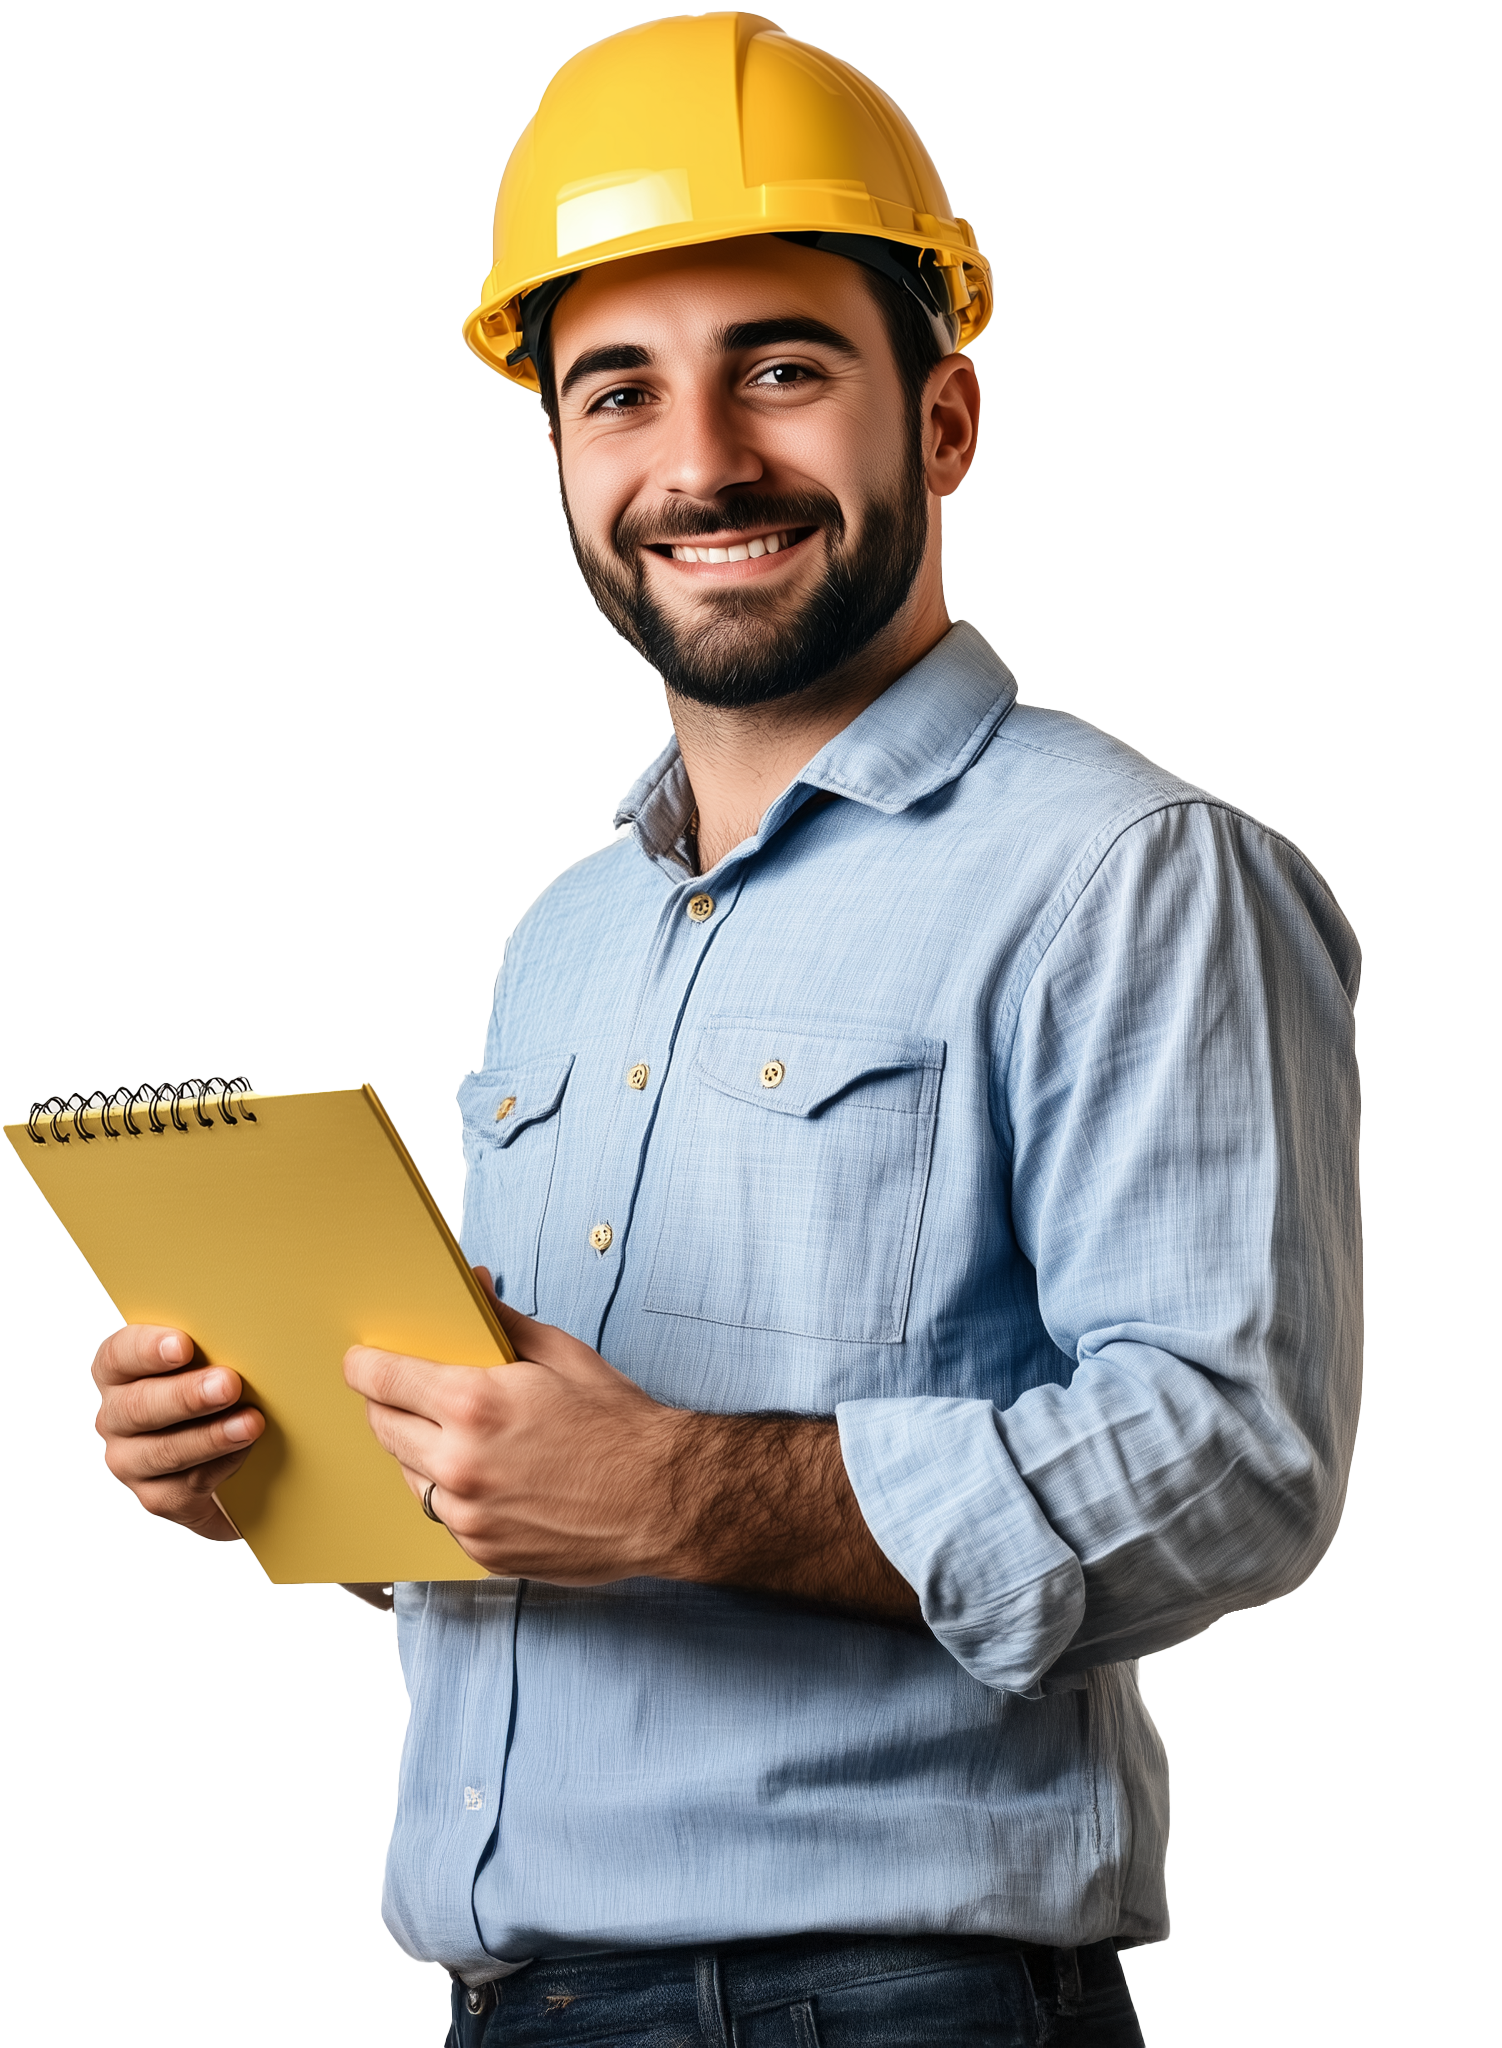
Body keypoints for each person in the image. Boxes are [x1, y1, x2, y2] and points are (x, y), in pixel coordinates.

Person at [87, 16, 1361, 2046]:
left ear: (939, 419)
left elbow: (1234, 1457)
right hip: (520, 1998)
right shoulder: (567, 940)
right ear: (565, 458)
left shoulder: (1127, 867)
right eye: (619, 392)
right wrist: (310, 1463)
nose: (699, 462)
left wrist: (681, 1485)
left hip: (892, 2004)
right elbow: (554, 1501)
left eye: (779, 364)